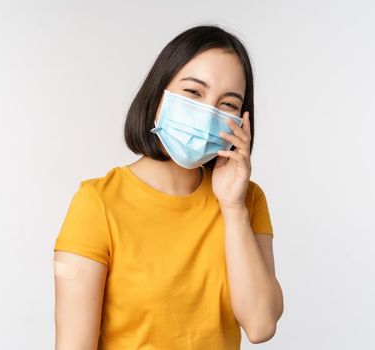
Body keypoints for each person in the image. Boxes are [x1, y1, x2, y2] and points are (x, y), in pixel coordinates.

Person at [53, 25, 283, 350]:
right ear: (160, 93)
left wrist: (232, 208)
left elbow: (261, 325)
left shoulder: (248, 201)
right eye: (194, 93)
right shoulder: (97, 203)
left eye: (228, 104)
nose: (208, 113)